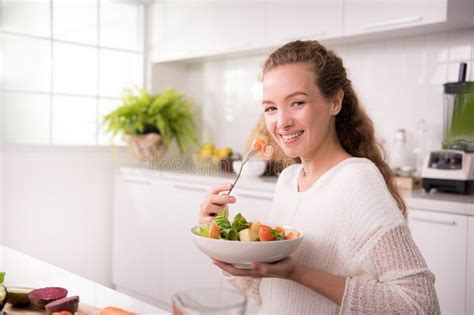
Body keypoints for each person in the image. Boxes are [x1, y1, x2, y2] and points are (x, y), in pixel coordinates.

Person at [198, 40, 440, 314]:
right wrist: (220, 237)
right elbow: (271, 294)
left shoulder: (356, 180)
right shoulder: (289, 179)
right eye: (270, 108)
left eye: (297, 102)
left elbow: (420, 304)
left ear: (334, 101)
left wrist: (299, 273)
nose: (282, 122)